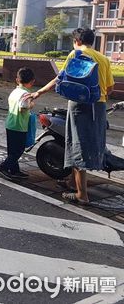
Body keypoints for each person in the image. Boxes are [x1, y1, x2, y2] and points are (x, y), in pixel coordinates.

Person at [29, 28, 114, 204]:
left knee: (77, 145)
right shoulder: (104, 59)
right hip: (98, 107)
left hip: (79, 106)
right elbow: (109, 88)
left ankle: (82, 195)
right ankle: (72, 182)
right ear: (92, 41)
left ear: (77, 41)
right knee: (89, 145)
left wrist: (39, 92)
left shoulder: (75, 54)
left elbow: (59, 79)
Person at [0, 67, 36, 180]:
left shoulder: (15, 91)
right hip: (19, 126)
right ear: (32, 81)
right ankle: (3, 167)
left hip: (10, 123)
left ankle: (14, 170)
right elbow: (23, 107)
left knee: (12, 149)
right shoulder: (26, 94)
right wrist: (31, 104)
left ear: (17, 80)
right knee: (18, 150)